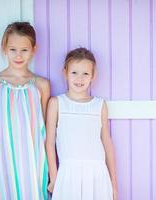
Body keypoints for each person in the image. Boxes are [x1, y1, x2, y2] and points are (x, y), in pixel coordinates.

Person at [0, 22, 50, 200]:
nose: (18, 55)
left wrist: (51, 169)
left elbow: (48, 131)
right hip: (5, 161)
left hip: (35, 161)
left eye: (24, 50)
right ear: (4, 48)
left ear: (34, 49)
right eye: (13, 49)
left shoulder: (41, 85)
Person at [46, 47, 117, 200]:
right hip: (68, 175)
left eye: (85, 73)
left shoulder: (100, 105)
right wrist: (54, 177)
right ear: (65, 73)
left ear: (93, 75)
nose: (80, 78)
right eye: (74, 73)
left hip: (97, 175)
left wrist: (114, 183)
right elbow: (49, 143)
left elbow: (107, 143)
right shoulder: (56, 103)